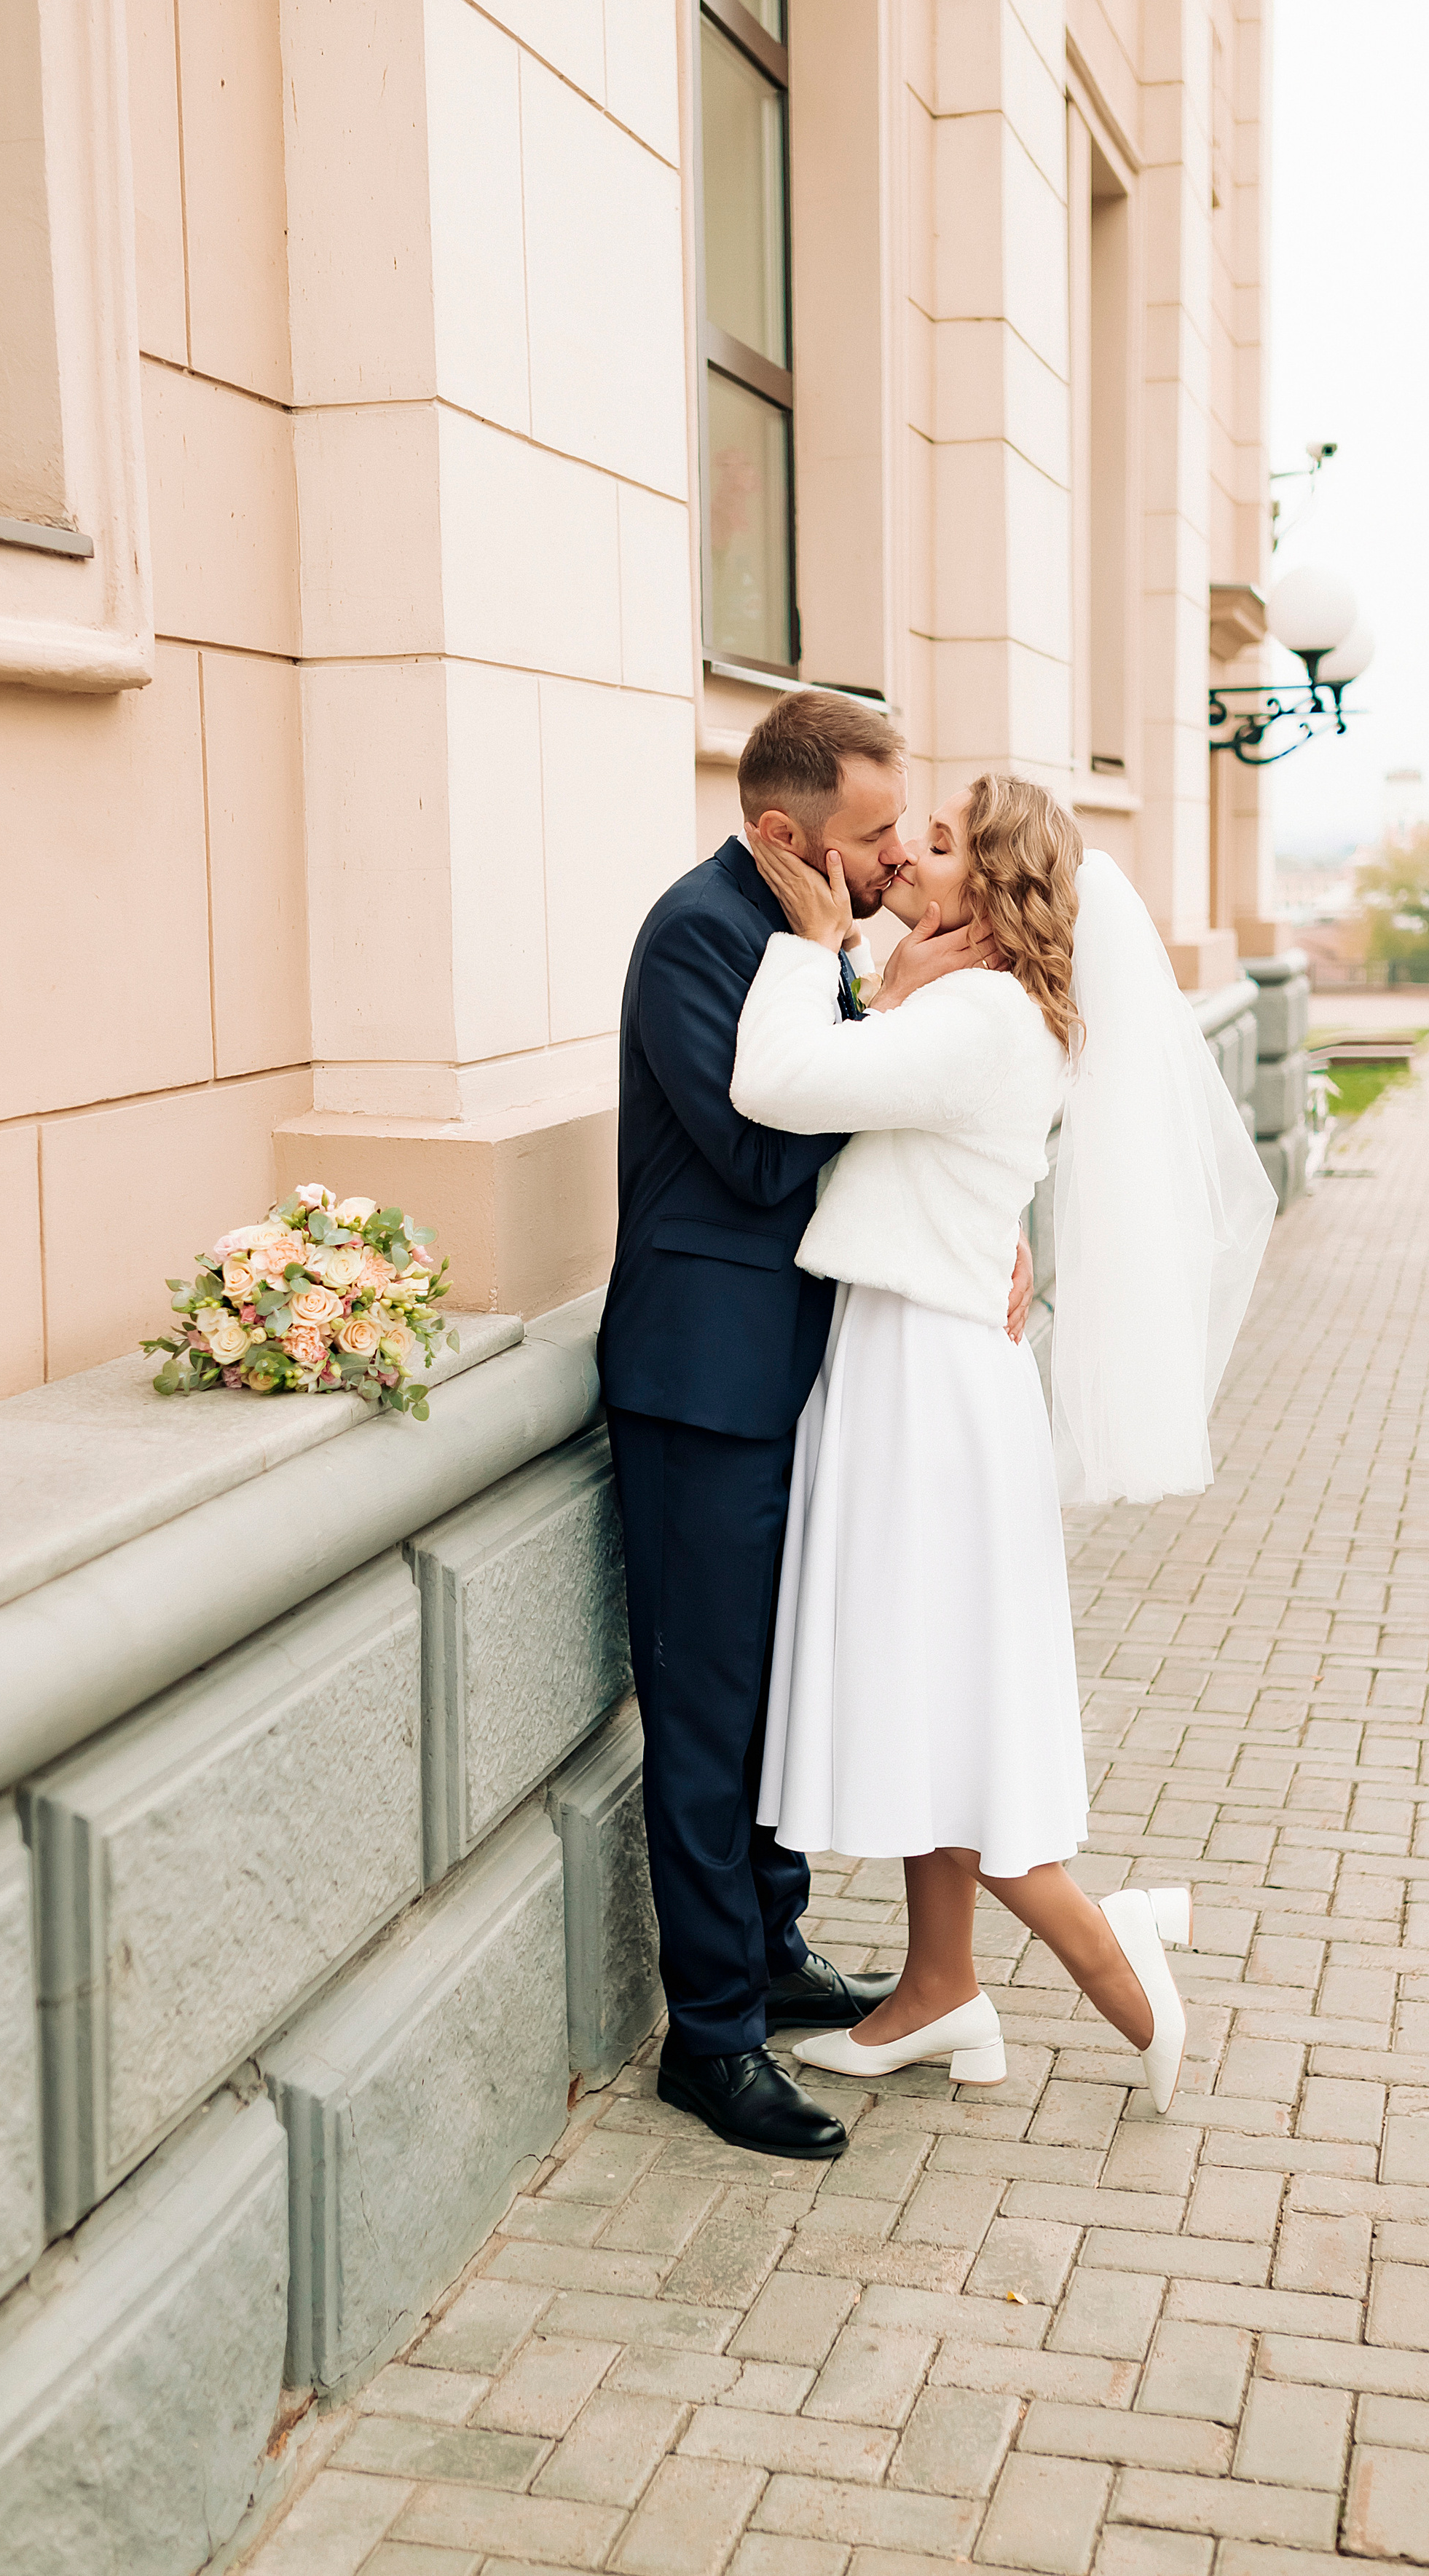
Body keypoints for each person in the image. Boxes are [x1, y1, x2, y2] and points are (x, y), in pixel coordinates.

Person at [729, 774, 1276, 2111]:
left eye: (940, 842)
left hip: (925, 1384)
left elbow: (777, 1080)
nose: (906, 853)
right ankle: (940, 1989)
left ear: (995, 886)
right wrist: (890, 988)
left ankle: (1109, 1953)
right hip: (920, 1361)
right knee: (938, 1687)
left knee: (948, 1698)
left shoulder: (976, 1013)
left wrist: (820, 948)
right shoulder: (986, 1003)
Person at [597, 693, 1034, 2160]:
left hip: (805, 1370)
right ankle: (712, 2037)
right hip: (702, 1383)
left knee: (773, 1691)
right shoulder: (698, 935)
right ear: (784, 835)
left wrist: (980, 1213)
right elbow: (755, 1151)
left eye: (907, 828)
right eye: (872, 835)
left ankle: (773, 1952)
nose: (897, 856)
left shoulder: (831, 930)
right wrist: (887, 1016)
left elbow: (883, 1128)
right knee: (707, 1715)